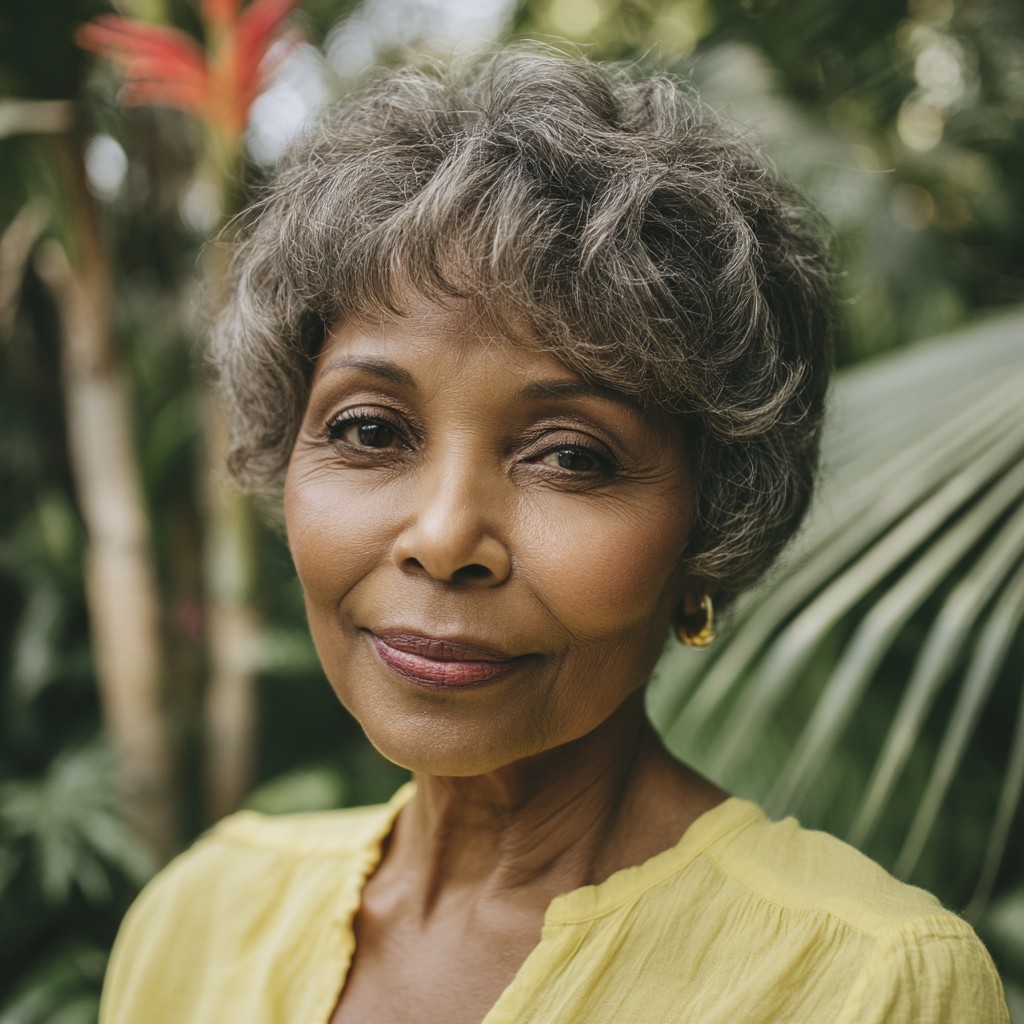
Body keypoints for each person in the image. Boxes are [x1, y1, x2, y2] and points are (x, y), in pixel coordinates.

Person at [99, 49, 1010, 1024]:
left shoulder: (862, 984)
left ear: (712, 519)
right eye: (369, 431)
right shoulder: (202, 920)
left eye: (571, 455)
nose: (445, 536)